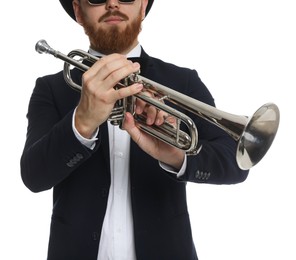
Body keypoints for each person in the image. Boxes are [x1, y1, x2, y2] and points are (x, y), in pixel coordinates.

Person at [20, 0, 249, 259]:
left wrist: (175, 156)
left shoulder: (183, 81)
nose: (113, 3)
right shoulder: (51, 88)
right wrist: (81, 122)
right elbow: (33, 176)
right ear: (78, 11)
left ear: (142, 6)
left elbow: (236, 163)